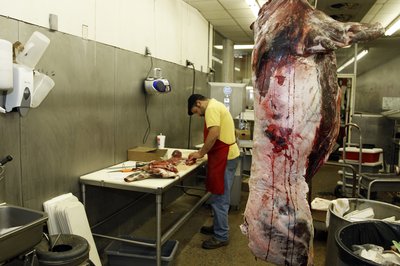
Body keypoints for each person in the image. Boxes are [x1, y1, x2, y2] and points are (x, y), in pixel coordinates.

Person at [187, 94, 240, 249]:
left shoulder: (211, 109)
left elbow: (214, 134)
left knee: (220, 198)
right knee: (218, 195)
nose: (198, 115)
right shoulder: (217, 105)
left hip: (225, 157)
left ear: (198, 103)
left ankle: (221, 236)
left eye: (196, 111)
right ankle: (218, 227)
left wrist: (200, 153)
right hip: (226, 155)